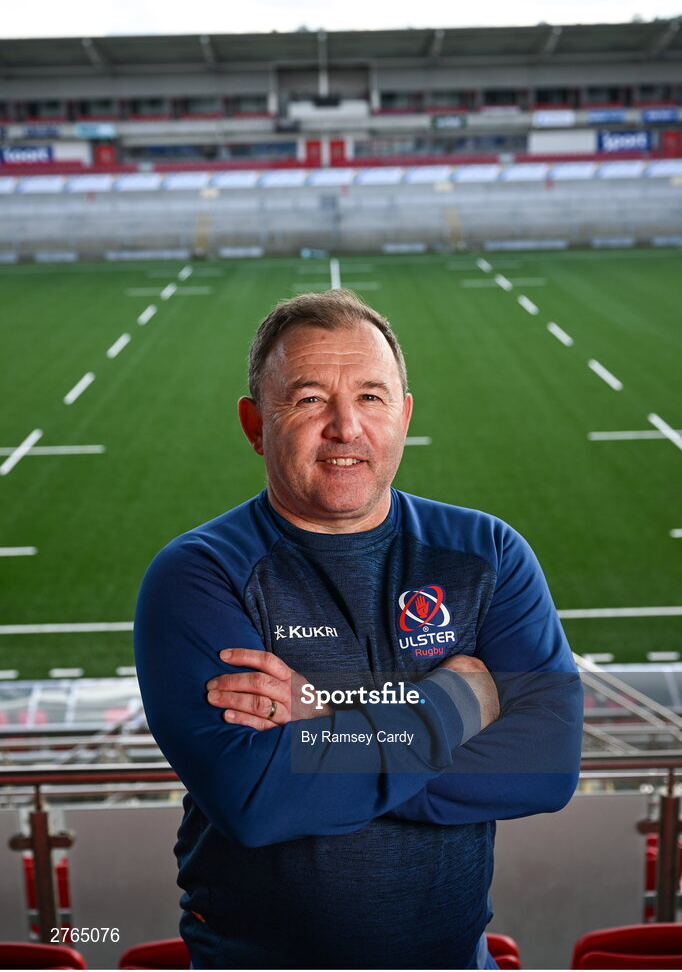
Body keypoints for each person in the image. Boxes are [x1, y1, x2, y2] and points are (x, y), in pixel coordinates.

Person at [135, 288, 583, 970]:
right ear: (256, 424)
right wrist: (459, 699)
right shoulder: (198, 575)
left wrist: (328, 716)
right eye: (310, 398)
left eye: (372, 398)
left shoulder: (487, 554)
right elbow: (255, 797)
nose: (346, 427)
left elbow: (546, 765)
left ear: (402, 416)